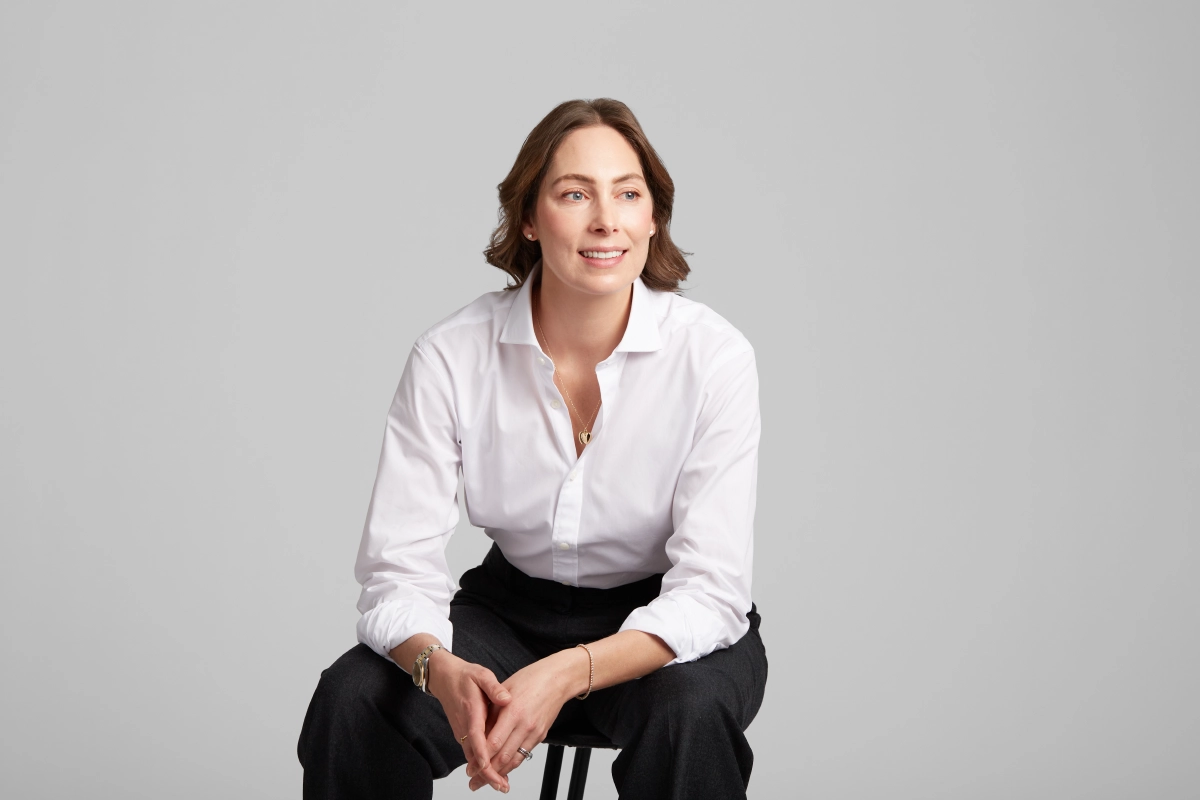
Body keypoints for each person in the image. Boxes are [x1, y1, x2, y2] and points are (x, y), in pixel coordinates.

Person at [297, 98, 768, 799]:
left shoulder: (714, 358)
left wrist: (571, 670)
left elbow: (709, 591)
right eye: (575, 194)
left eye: (629, 194)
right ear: (527, 216)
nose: (606, 220)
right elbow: (396, 572)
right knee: (357, 698)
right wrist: (440, 671)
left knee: (688, 713)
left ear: (652, 217)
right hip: (507, 613)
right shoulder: (451, 357)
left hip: (660, 619)